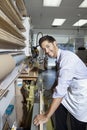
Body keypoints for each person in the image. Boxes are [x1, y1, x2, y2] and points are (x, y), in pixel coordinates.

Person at [33, 35, 87, 130]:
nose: (47, 51)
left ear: (55, 43)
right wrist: (50, 90)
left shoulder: (67, 59)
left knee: (77, 124)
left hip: (81, 98)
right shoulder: (59, 58)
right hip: (71, 93)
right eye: (44, 49)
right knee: (59, 107)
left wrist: (46, 116)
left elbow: (60, 92)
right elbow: (59, 78)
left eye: (48, 46)